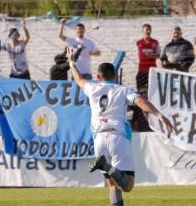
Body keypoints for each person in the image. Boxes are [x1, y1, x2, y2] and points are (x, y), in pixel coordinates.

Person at [65, 47, 174, 206]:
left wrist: (71, 61)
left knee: (112, 187)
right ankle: (105, 165)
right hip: (118, 138)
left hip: (99, 140)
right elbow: (141, 102)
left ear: (98, 76)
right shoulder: (123, 90)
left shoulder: (92, 87)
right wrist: (160, 116)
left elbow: (78, 79)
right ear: (115, 76)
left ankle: (104, 164)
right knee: (127, 185)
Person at [136, 24, 160, 90]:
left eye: (150, 30)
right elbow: (138, 55)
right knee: (141, 91)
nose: (148, 31)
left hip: (152, 70)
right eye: (147, 30)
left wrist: (150, 54)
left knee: (153, 91)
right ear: (143, 31)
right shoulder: (138, 43)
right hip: (142, 70)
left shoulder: (155, 42)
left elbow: (158, 55)